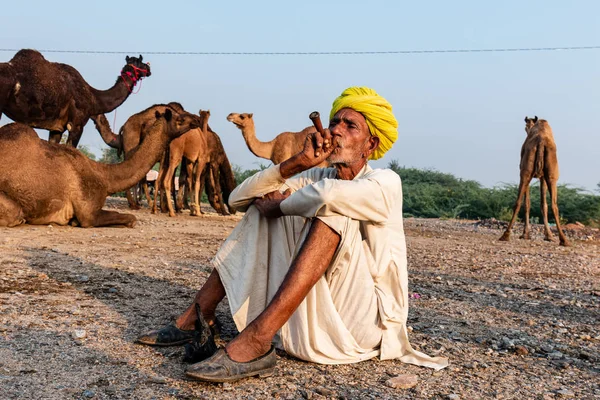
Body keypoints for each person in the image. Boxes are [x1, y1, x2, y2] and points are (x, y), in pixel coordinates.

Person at [136, 87, 448, 382]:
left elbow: (329, 196)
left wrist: (282, 205)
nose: (336, 130)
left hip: (361, 328)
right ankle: (197, 316)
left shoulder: (385, 181)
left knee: (331, 211)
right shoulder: (317, 174)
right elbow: (236, 201)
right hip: (310, 327)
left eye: (350, 126)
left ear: (371, 145)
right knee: (261, 207)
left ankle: (257, 340)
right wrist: (295, 164)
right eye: (335, 122)